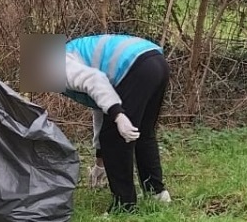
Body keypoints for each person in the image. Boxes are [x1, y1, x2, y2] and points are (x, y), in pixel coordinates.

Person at [27, 33, 172, 210]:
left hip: (136, 66)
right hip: (155, 61)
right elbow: (102, 106)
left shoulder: (58, 65)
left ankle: (124, 205)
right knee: (142, 132)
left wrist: (118, 115)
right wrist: (99, 162)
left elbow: (96, 80)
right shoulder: (72, 54)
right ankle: (156, 193)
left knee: (115, 138)